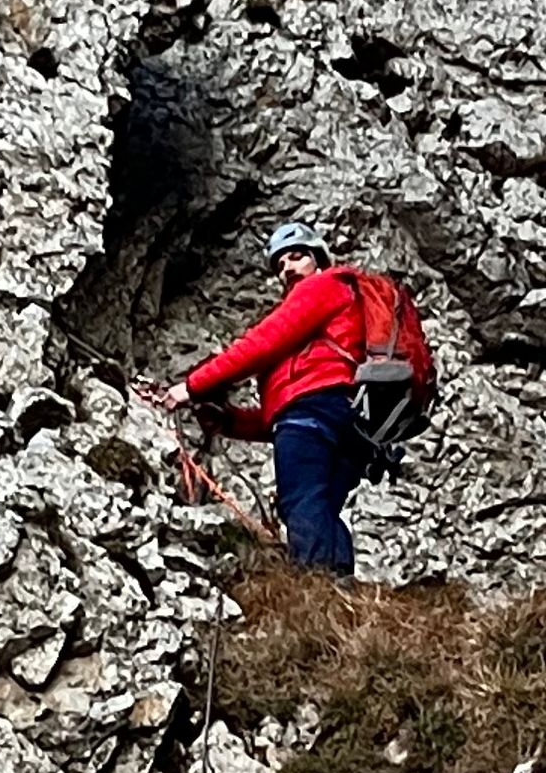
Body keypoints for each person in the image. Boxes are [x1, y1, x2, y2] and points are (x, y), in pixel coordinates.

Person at [142, 219, 376, 575]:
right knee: (323, 507)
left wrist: (189, 388)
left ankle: (315, 592)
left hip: (316, 413)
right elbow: (291, 410)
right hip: (351, 421)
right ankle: (341, 596)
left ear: (319, 260)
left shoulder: (322, 287)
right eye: (280, 264)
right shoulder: (334, 321)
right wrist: (231, 421)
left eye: (296, 257)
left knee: (300, 502)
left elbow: (260, 345)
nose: (287, 269)